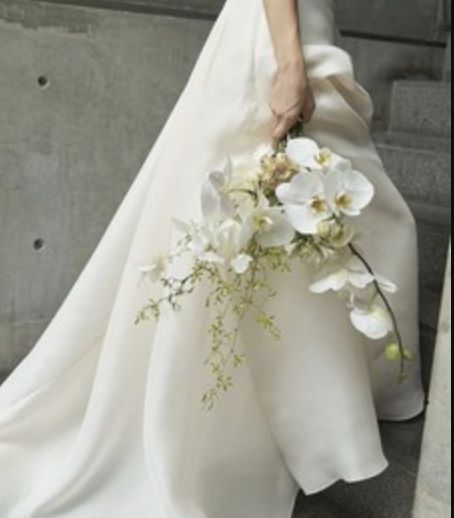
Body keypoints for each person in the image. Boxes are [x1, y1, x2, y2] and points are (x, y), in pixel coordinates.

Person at [0, 1, 425, 517]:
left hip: (296, 28)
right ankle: (240, 423)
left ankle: (333, 398)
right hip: (279, 37)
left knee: (300, 222)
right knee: (273, 218)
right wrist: (290, 65)